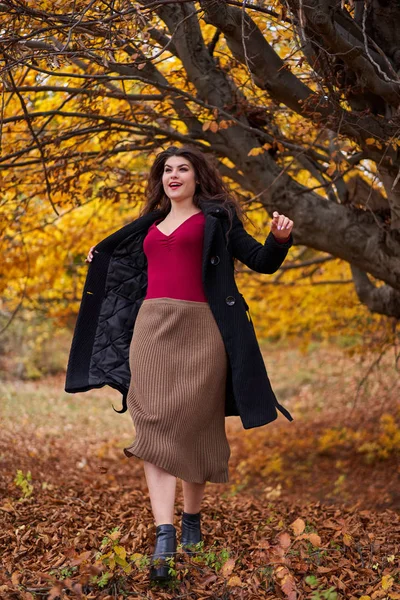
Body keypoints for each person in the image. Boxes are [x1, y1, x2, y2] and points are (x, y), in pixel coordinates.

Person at [73, 145, 294, 583]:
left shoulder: (218, 220)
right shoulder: (148, 226)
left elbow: (262, 262)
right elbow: (124, 273)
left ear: (198, 177)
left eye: (183, 169)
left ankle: (191, 518)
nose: (174, 175)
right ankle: (166, 534)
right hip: (152, 329)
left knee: (196, 426)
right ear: (161, 180)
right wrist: (100, 264)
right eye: (167, 170)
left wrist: (279, 238)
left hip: (203, 331)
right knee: (152, 422)